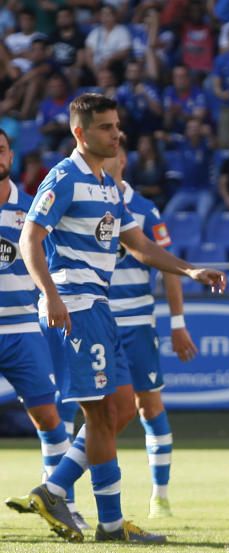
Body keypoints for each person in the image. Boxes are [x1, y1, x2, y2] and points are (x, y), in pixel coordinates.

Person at [17, 93, 225, 544]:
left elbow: (141, 246)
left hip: (100, 306)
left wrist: (190, 269)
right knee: (101, 414)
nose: (117, 134)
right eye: (107, 128)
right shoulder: (65, 178)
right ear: (80, 133)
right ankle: (108, 524)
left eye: (117, 127)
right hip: (74, 306)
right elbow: (29, 238)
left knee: (122, 407)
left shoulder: (108, 186)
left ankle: (55, 491)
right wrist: (50, 294)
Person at [0, 128, 87, 531]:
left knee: (49, 418)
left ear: (11, 155)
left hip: (21, 329)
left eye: (0, 150)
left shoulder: (31, 209)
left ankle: (59, 502)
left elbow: (51, 260)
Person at [107, 141, 198, 517]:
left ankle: (159, 495)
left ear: (124, 160)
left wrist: (178, 323)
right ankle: (64, 489)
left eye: (115, 150)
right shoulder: (80, 203)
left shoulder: (144, 210)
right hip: (94, 319)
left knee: (149, 404)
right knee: (85, 408)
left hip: (137, 322)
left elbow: (169, 269)